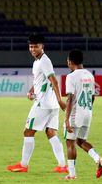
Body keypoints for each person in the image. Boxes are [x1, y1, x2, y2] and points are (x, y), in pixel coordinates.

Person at [7, 34, 67, 173]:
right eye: (31, 46)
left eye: (36, 46)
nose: (33, 49)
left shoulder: (44, 61)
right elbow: (41, 80)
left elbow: (54, 80)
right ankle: (62, 165)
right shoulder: (38, 62)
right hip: (51, 104)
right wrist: (31, 90)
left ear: (42, 46)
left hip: (43, 104)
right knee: (51, 132)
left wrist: (60, 99)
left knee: (28, 131)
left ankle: (23, 164)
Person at [63, 49, 102, 180]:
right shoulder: (89, 75)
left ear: (71, 61)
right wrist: (87, 109)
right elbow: (93, 97)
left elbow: (70, 98)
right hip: (87, 112)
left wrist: (67, 119)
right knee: (81, 141)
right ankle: (98, 158)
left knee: (70, 142)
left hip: (76, 114)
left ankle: (72, 174)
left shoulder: (71, 76)